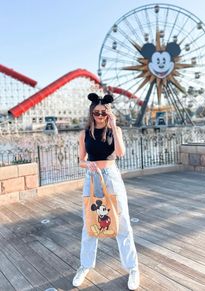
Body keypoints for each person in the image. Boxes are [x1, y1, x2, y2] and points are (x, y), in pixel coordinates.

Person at [72, 93, 140, 290]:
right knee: (89, 223)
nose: (100, 116)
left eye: (103, 112)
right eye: (96, 113)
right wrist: (89, 166)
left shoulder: (114, 129)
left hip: (111, 176)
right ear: (91, 113)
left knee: (123, 222)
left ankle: (133, 268)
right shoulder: (84, 134)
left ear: (108, 112)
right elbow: (81, 160)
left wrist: (114, 124)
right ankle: (85, 265)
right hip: (92, 179)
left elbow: (120, 153)